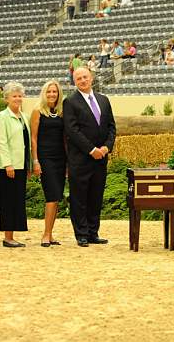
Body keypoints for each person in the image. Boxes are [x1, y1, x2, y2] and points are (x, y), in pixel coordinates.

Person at [63, 67, 116, 247]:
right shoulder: (70, 102)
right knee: (79, 198)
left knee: (96, 197)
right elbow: (72, 130)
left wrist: (107, 147)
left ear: (91, 78)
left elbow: (111, 127)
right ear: (75, 81)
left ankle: (93, 232)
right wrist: (91, 149)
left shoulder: (104, 100)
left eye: (85, 77)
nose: (83, 80)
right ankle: (82, 234)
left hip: (101, 158)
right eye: (79, 78)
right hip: (81, 159)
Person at [0, 82, 30, 248]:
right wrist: (8, 164)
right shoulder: (2, 116)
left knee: (17, 200)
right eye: (14, 96)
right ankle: (8, 238)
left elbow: (27, 142)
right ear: (7, 98)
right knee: (9, 201)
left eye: (19, 95)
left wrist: (27, 164)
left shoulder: (24, 116)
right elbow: (1, 142)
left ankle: (12, 235)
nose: (17, 98)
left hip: (21, 165)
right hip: (8, 167)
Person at [31, 80, 66, 247]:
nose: (52, 94)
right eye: (49, 92)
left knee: (57, 196)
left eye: (55, 92)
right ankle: (45, 235)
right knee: (51, 196)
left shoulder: (61, 112)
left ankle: (50, 234)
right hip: (45, 159)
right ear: (44, 93)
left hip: (61, 159)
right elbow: (34, 138)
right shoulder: (38, 111)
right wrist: (35, 160)